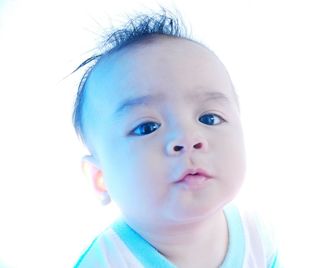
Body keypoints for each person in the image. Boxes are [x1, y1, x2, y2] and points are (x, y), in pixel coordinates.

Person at [73, 9, 280, 268]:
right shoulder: (106, 262)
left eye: (209, 118)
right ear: (99, 178)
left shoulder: (257, 237)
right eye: (146, 127)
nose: (188, 138)